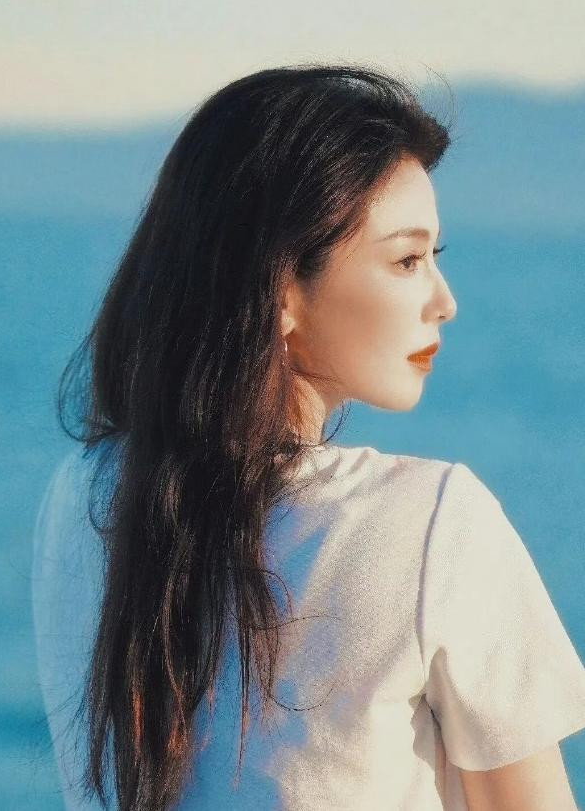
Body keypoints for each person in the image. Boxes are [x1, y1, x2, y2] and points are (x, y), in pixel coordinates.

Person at [31, 63, 585, 811]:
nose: (443, 302)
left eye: (435, 258)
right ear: (280, 289)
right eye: (406, 260)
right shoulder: (432, 524)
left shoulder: (84, 497)